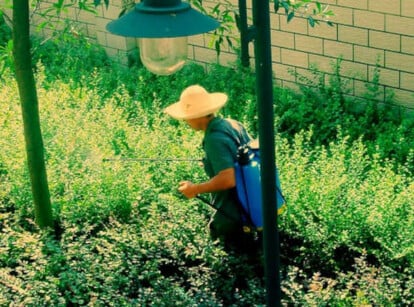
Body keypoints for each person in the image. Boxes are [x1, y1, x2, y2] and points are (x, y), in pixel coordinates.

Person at [164, 84, 259, 253]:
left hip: (233, 215)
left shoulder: (214, 139)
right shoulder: (232, 124)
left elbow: (228, 178)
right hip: (254, 205)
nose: (185, 121)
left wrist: (195, 189)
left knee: (230, 259)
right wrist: (210, 162)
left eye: (187, 117)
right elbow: (241, 157)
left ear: (198, 116)